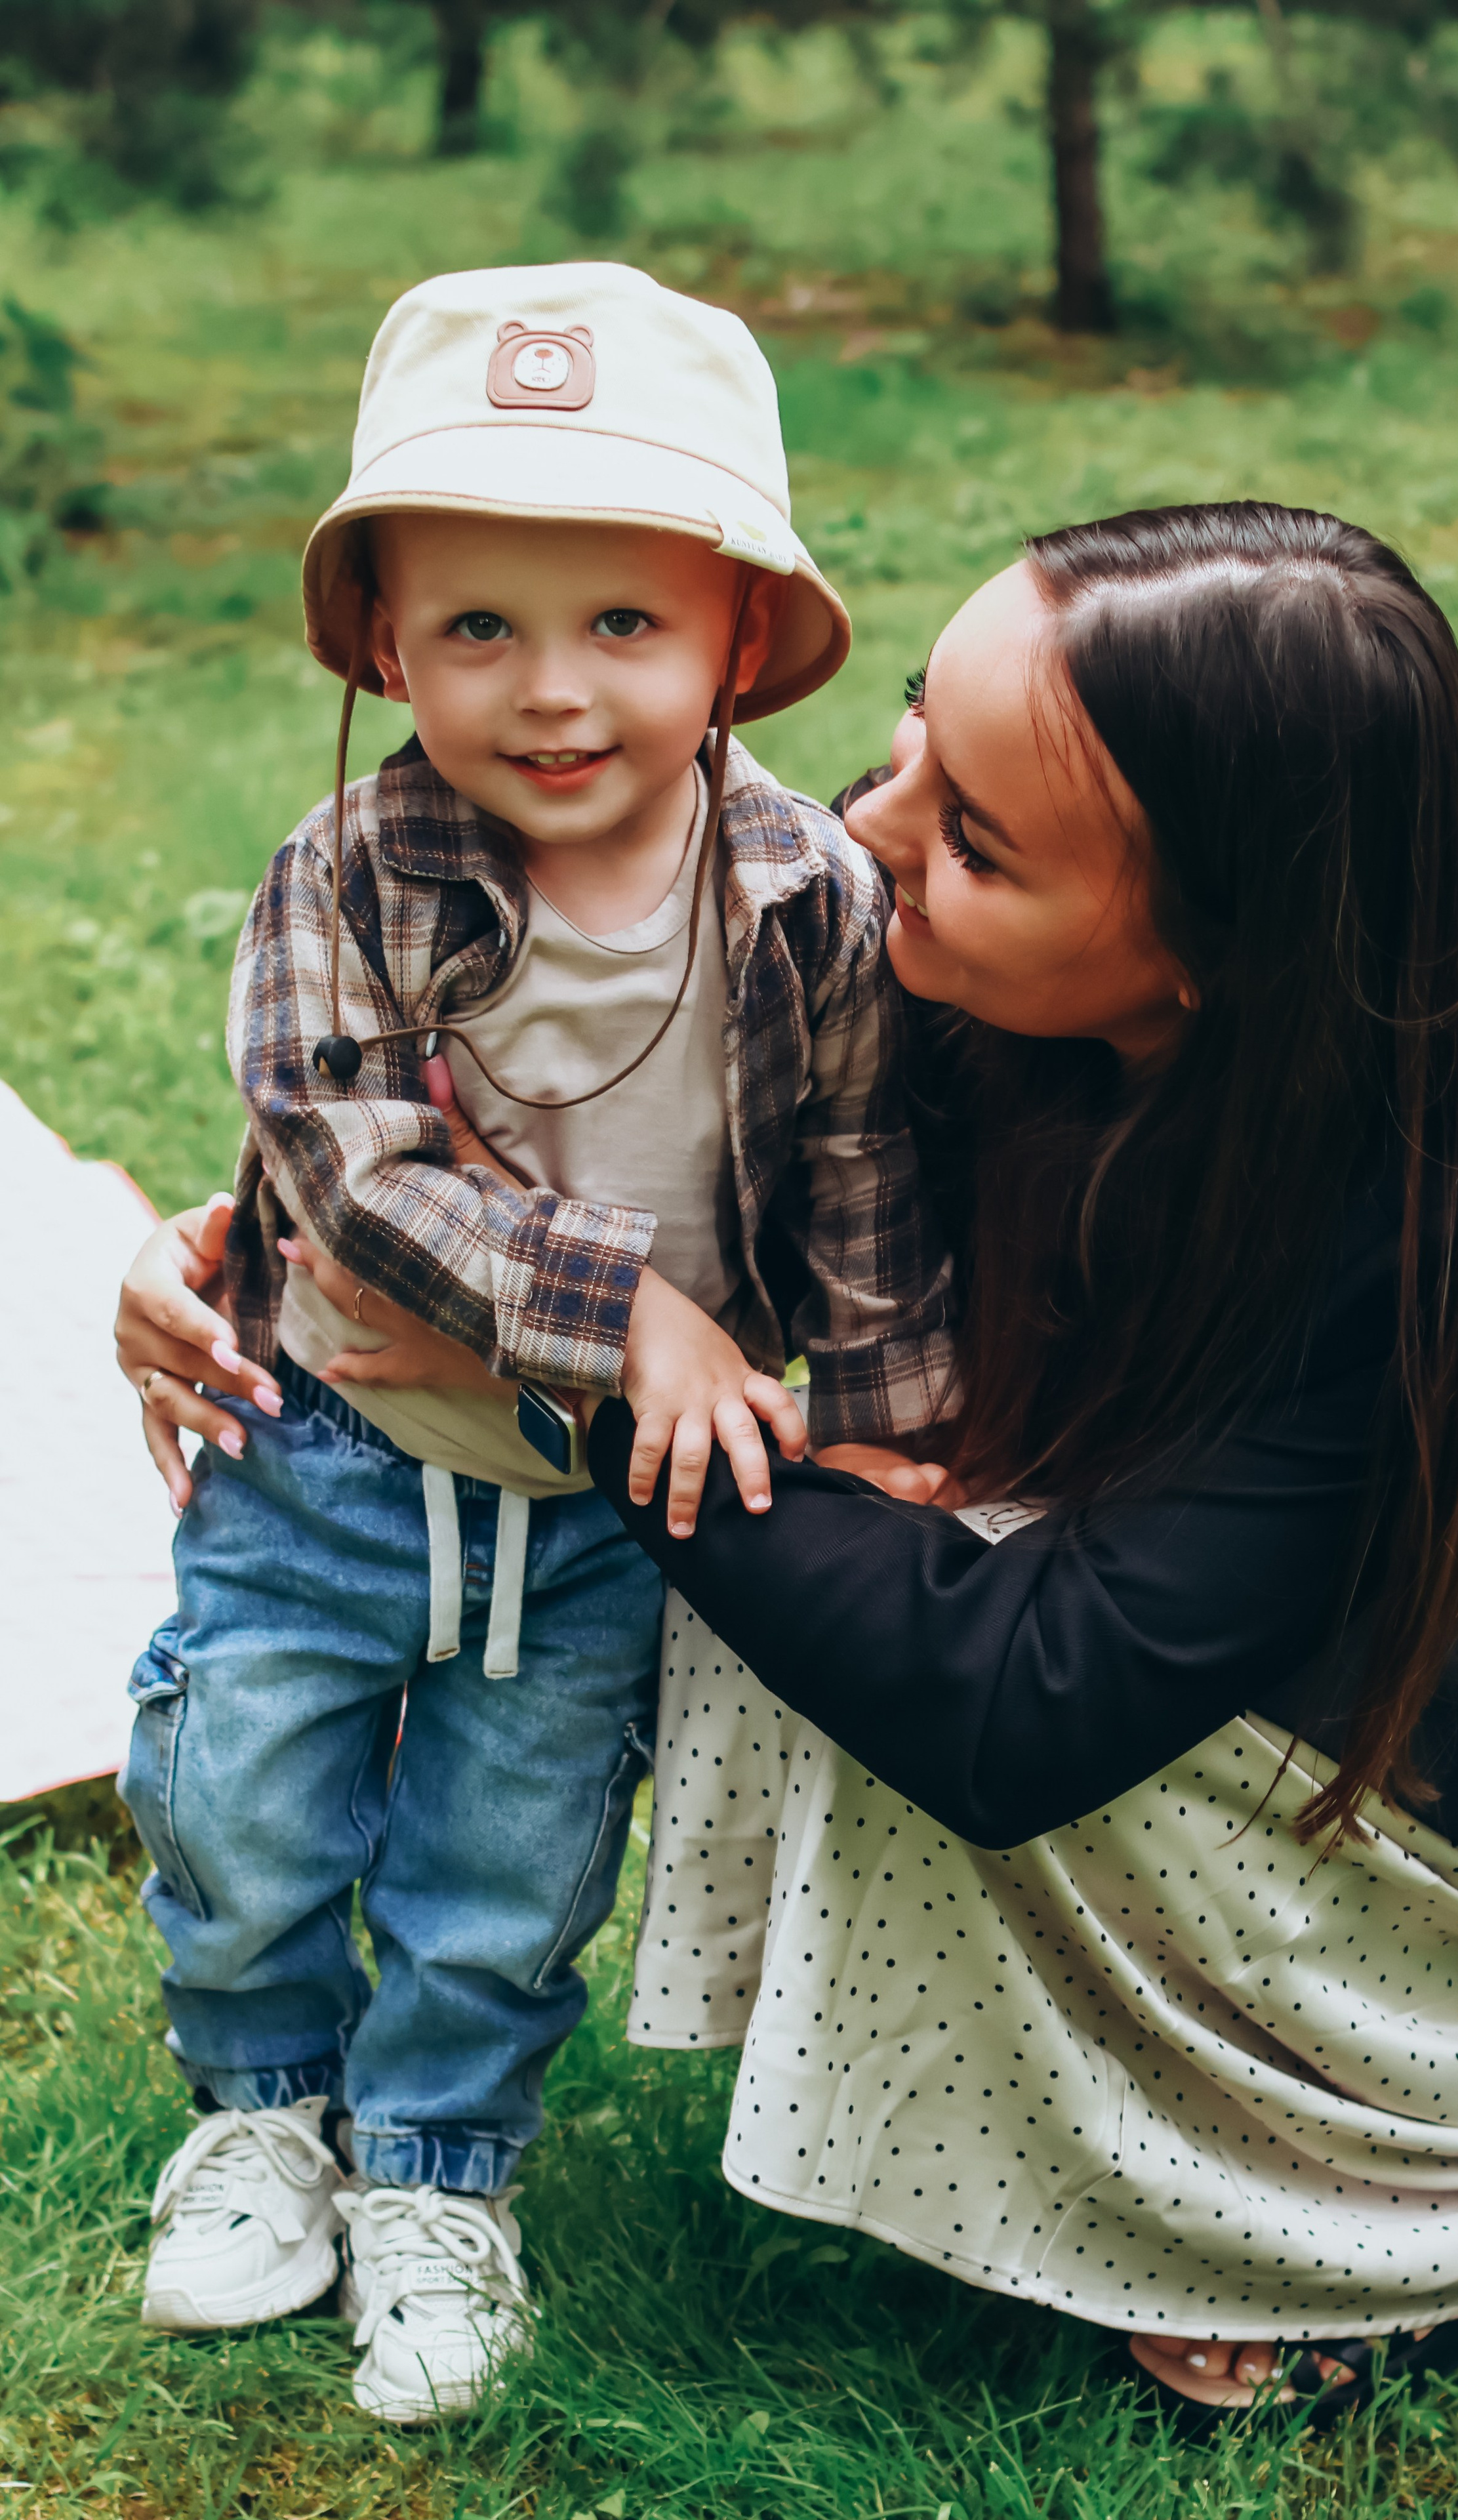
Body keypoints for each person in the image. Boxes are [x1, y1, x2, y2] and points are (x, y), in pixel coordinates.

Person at [119, 501, 1458, 2427]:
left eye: (981, 840)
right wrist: (289, 1240)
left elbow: (1018, 1709)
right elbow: (561, 1125)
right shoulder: (924, 899)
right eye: (925, 733)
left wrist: (586, 1383)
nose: (876, 827)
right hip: (1214, 1548)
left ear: (1207, 949)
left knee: (838, 1585)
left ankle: (1385, 2184)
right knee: (830, 1536)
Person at [115, 260, 953, 2427]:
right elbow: (349, 1149)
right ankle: (260, 2109)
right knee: (248, 1802)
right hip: (338, 1448)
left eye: (624, 626)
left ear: (740, 640)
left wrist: (873, 1414)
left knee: (513, 1852)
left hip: (592, 1509)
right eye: (478, 625)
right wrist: (632, 1305)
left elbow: (862, 1168)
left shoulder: (805, 898)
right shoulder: (353, 870)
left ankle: (437, 2168)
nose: (551, 692)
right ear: (387, 643)